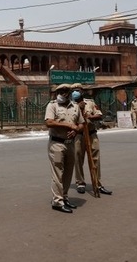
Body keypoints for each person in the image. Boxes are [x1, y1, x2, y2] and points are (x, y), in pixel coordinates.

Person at [44, 83, 85, 213]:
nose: (64, 93)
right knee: (58, 172)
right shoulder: (52, 105)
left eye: (67, 91)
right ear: (57, 92)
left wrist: (76, 130)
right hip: (56, 145)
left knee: (68, 172)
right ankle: (57, 201)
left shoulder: (75, 107)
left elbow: (81, 124)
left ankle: (64, 197)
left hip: (70, 144)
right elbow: (49, 122)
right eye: (61, 91)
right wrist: (68, 125)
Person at [70, 83, 112, 195]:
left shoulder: (90, 102)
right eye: (73, 90)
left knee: (95, 159)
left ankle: (97, 182)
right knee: (78, 158)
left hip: (92, 134)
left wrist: (89, 117)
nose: (75, 92)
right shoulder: (70, 105)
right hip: (79, 135)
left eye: (77, 90)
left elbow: (99, 115)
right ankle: (80, 183)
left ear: (82, 91)